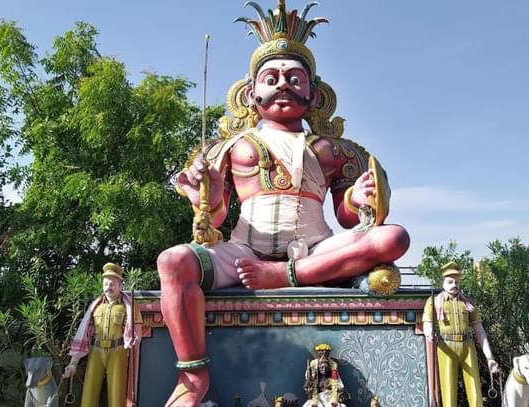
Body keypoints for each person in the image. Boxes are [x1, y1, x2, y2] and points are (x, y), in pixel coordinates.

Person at [157, 1, 410, 405]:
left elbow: (350, 221)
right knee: (173, 262)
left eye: (295, 78)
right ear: (251, 92)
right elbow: (216, 220)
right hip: (243, 249)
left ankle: (287, 275)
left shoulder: (335, 149)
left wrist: (362, 201)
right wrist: (204, 197)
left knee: (392, 238)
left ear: (314, 92)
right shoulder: (228, 148)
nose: (283, 85)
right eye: (271, 78)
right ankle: (193, 376)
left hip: (316, 249)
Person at [63, 262, 142, 407]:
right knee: (89, 391)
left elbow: (136, 330)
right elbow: (84, 334)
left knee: (117, 393)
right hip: (96, 351)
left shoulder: (129, 307)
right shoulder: (95, 306)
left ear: (120, 286)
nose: (108, 287)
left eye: (112, 284)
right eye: (105, 284)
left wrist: (134, 340)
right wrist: (73, 363)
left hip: (118, 351)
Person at [422, 261, 500, 407]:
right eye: (450, 281)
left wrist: (490, 358)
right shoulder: (434, 301)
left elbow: (479, 330)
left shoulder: (468, 303)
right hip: (446, 347)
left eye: (456, 281)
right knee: (449, 390)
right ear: (443, 283)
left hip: (467, 346)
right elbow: (427, 323)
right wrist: (429, 333)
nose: (454, 284)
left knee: (475, 388)